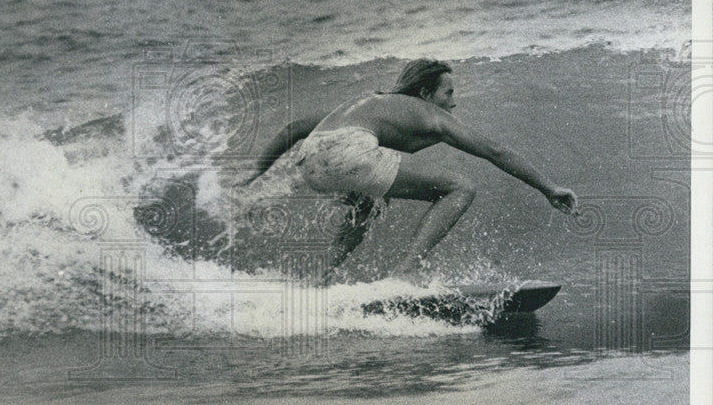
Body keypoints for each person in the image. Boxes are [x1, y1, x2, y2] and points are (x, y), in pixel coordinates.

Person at [237, 59, 579, 284]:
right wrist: (549, 188)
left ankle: (320, 279)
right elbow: (495, 151)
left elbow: (295, 128)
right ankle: (407, 269)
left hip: (311, 160)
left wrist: (255, 174)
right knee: (460, 187)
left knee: (368, 205)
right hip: (351, 152)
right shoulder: (427, 113)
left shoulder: (373, 102)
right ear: (425, 92)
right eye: (448, 93)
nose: (453, 103)